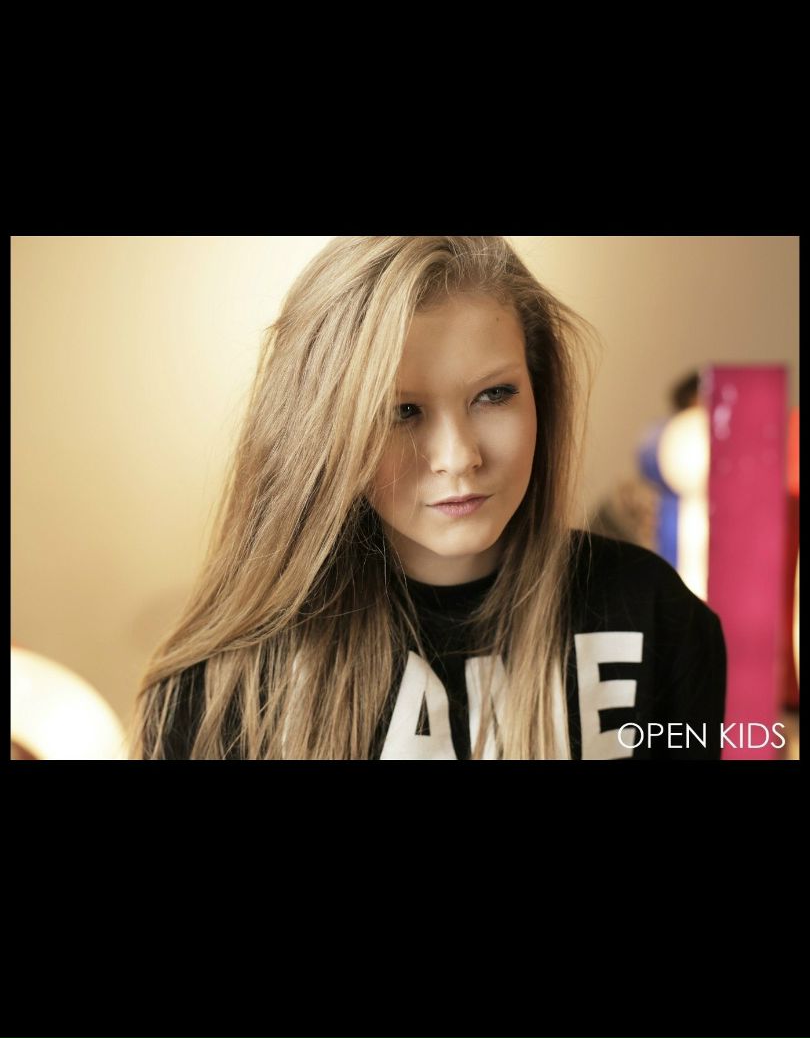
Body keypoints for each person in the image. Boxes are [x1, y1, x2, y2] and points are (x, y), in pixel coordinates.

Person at [129, 236, 727, 760]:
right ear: (323, 433)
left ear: (539, 392)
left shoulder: (654, 616)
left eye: (494, 395)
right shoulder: (221, 689)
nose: (458, 456)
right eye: (403, 411)